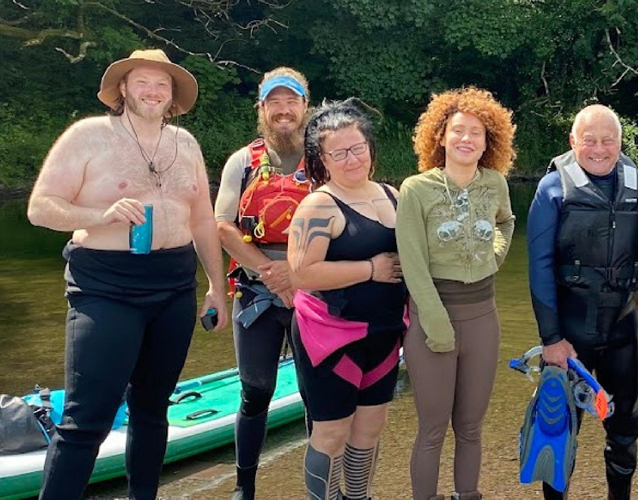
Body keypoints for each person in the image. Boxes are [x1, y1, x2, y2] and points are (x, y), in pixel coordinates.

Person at [26, 48, 229, 500]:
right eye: (143, 82)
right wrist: (101, 214)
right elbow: (40, 208)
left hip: (174, 284)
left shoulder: (186, 144)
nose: (153, 91)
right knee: (86, 419)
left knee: (153, 411)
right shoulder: (88, 136)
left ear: (173, 95)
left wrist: (216, 286)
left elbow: (201, 220)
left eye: (162, 84)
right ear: (122, 89)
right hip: (106, 286)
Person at [526, 104, 638, 500]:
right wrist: (551, 338)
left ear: (621, 143)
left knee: (625, 428)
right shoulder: (552, 189)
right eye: (590, 140)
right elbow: (538, 267)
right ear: (573, 141)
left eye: (609, 141)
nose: (600, 149)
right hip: (569, 335)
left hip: (623, 329)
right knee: (558, 429)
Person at [397, 87, 517, 500]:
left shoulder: (496, 184)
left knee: (470, 428)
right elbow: (411, 262)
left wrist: (495, 256)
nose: (467, 139)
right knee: (432, 429)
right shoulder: (416, 189)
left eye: (477, 133)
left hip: (484, 318)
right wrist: (435, 323)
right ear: (441, 137)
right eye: (458, 131)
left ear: (489, 142)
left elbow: (506, 223)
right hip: (433, 322)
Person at [286, 99, 407, 500]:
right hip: (331, 335)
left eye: (357, 148)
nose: (351, 159)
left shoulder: (392, 195)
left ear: (370, 148)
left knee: (369, 428)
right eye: (338, 153)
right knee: (332, 430)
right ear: (323, 159)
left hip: (386, 331)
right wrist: (370, 270)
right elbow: (301, 273)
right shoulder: (318, 204)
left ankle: (358, 497)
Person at [213, 67, 310, 500]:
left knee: (317, 393)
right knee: (255, 391)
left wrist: (296, 274)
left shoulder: (323, 157)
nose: (284, 110)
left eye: (292, 101)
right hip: (256, 291)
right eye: (275, 102)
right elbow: (223, 226)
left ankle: (318, 487)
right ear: (262, 108)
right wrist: (271, 273)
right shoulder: (242, 161)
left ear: (305, 107)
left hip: (312, 291)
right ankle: (244, 486)